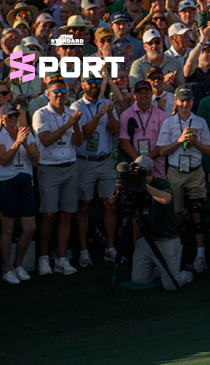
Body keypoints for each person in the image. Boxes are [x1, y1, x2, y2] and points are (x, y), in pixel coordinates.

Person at [110, 156, 194, 291]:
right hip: (148, 240)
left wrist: (145, 186)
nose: (138, 174)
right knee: (138, 280)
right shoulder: (133, 187)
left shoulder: (160, 184)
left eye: (142, 171)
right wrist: (120, 189)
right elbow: (112, 202)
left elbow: (166, 199)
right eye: (136, 171)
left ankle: (188, 274)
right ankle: (161, 269)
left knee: (171, 285)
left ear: (151, 171)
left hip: (168, 239)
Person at [155, 86, 210, 268]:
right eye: (182, 100)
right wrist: (179, 141)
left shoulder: (200, 122)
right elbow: (162, 150)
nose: (185, 104)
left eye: (188, 100)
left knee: (197, 212)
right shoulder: (169, 122)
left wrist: (196, 142)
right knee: (176, 214)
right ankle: (176, 254)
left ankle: (201, 255)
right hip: (175, 171)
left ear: (192, 102)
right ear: (176, 102)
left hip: (195, 171)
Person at [32, 78, 84, 276]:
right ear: (48, 94)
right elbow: (45, 140)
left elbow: (78, 142)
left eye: (63, 91)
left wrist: (76, 125)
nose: (60, 95)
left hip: (70, 165)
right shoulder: (40, 114)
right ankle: (44, 258)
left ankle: (62, 259)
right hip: (49, 167)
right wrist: (68, 124)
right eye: (56, 92)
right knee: (48, 214)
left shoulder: (72, 113)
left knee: (66, 214)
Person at [71, 74, 120, 268]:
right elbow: (82, 135)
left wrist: (108, 113)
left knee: (110, 205)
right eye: (90, 82)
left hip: (105, 160)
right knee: (84, 206)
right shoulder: (77, 107)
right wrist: (99, 114)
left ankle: (110, 248)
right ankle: (84, 251)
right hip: (85, 161)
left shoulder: (107, 103)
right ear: (82, 85)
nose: (94, 85)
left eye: (97, 82)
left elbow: (116, 130)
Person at [0, 102, 38, 284]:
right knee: (8, 228)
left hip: (25, 181)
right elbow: (3, 160)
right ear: (2, 119)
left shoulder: (27, 134)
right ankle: (7, 268)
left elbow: (35, 160)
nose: (13, 119)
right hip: (5, 183)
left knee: (30, 228)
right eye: (10, 116)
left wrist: (24, 142)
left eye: (15, 116)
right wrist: (17, 142)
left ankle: (18, 264)